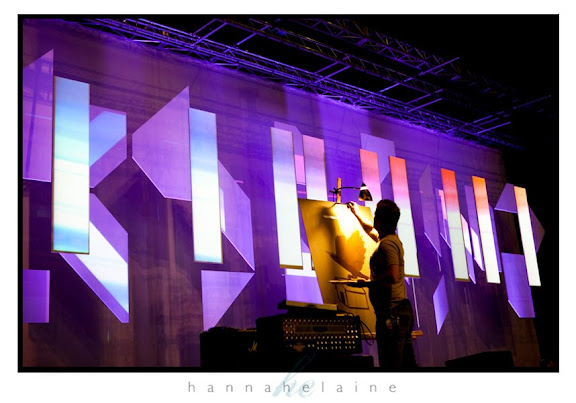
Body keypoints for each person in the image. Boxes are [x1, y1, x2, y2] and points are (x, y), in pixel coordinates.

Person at [348, 199, 417, 370]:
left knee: (391, 366)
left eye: (375, 216)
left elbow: (393, 274)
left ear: (380, 220)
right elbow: (370, 230)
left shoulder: (387, 244)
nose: (373, 219)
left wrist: (368, 283)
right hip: (396, 312)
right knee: (404, 364)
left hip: (392, 314)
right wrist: (356, 213)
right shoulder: (388, 239)